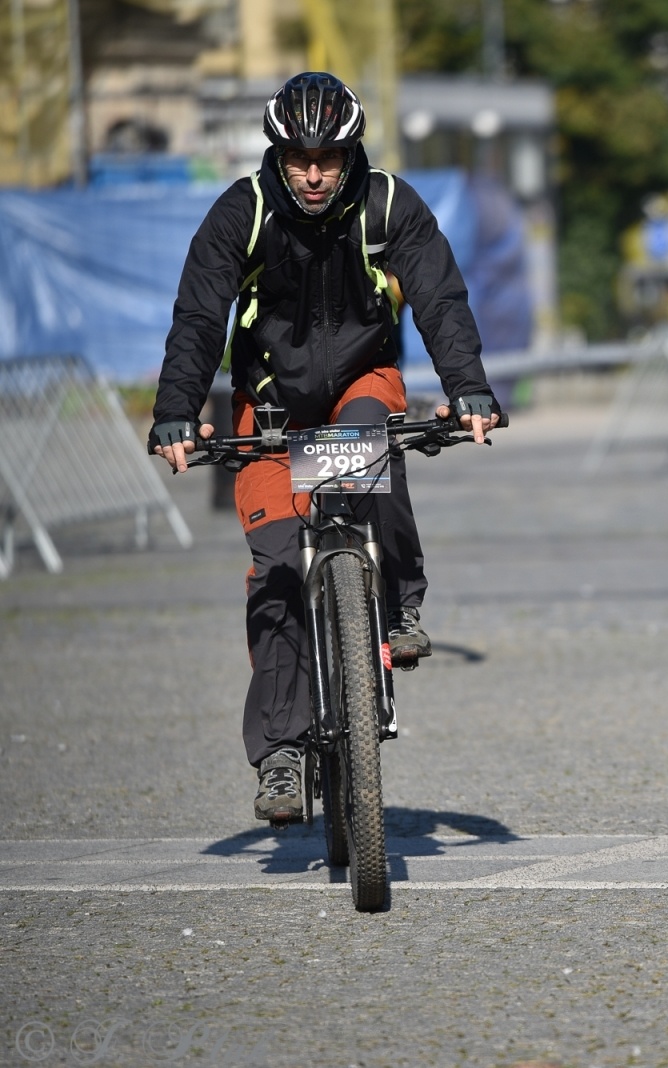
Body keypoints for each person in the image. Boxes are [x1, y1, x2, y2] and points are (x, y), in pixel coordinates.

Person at [149, 72, 503, 822]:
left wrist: (468, 388)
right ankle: (282, 752)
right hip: (269, 410)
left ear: (352, 153)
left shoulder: (388, 205)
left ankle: (399, 607)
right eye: (299, 157)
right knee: (277, 566)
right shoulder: (241, 212)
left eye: (330, 158)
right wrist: (177, 411)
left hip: (357, 381)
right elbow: (199, 317)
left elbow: (440, 298)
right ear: (278, 153)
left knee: (372, 443)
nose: (313, 174)